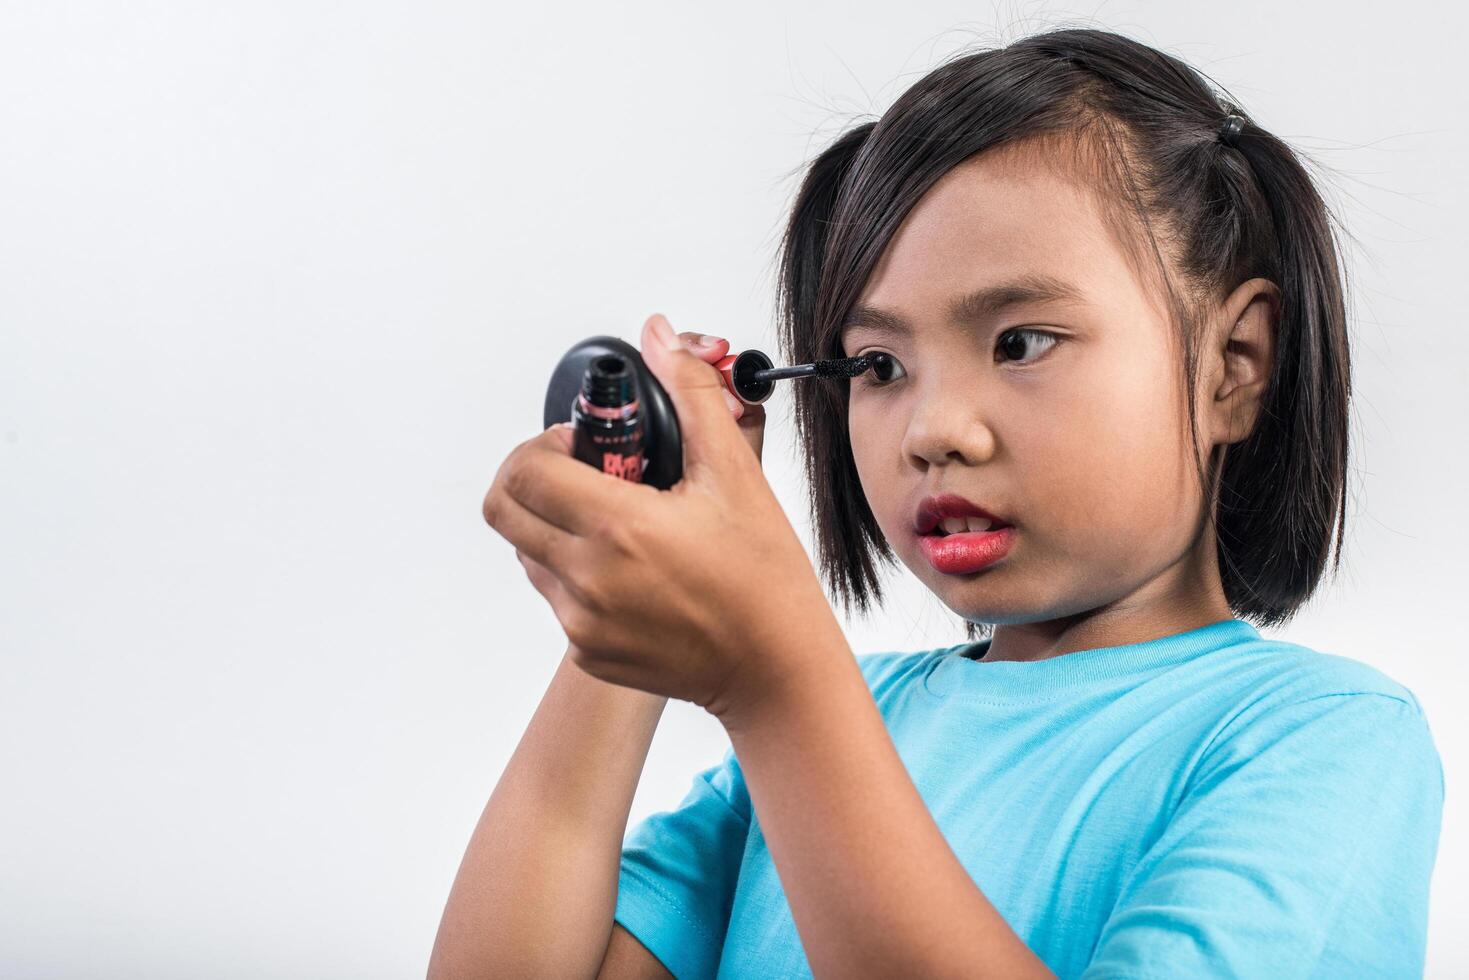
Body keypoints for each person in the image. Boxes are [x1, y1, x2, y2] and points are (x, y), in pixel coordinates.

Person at [429, 26, 1445, 979]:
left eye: (1019, 341)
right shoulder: (838, 722)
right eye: (876, 363)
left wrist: (779, 684)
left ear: (1232, 365)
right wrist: (623, 596)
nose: (932, 429)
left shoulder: (1320, 738)